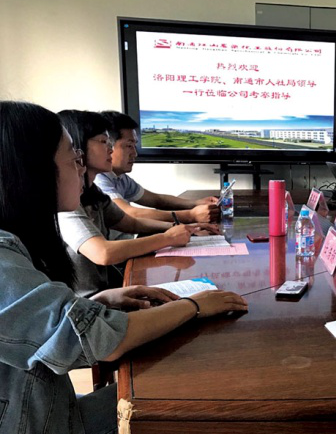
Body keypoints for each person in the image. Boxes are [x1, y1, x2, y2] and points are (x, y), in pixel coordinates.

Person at [0, 101, 248, 434]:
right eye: (74, 158)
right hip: (43, 424)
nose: (80, 169)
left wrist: (99, 301)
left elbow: (40, 327)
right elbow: (104, 341)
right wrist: (195, 305)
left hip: (50, 408)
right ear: (33, 170)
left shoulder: (27, 234)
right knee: (195, 389)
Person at [57, 110, 216, 297]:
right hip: (86, 302)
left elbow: (130, 223)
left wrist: (183, 228)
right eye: (103, 142)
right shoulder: (66, 203)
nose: (110, 149)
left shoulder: (94, 193)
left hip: (107, 292)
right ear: (78, 146)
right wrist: (169, 237)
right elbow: (103, 253)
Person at [95, 111, 219, 225]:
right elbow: (130, 213)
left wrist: (196, 203)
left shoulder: (120, 177)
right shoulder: (98, 180)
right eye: (129, 146)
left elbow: (157, 200)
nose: (135, 154)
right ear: (108, 145)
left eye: (134, 146)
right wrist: (191, 216)